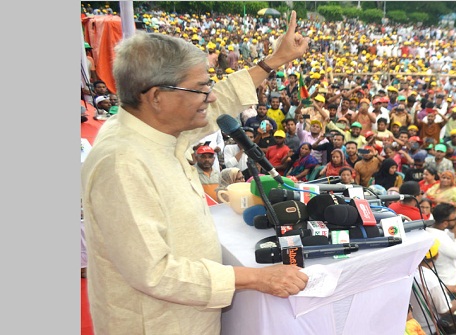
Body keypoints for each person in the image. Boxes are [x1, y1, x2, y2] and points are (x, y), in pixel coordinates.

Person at [80, 17, 310, 334]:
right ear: (157, 96)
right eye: (201, 88)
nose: (211, 97)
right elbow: (155, 272)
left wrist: (274, 62)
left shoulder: (159, 126)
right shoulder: (122, 163)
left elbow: (221, 103)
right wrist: (259, 277)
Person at [410, 238, 456, 335]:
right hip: (429, 330)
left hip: (411, 326)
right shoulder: (431, 280)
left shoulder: (409, 270)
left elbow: (428, 292)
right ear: (436, 255)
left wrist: (453, 288)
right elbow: (445, 311)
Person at [427, 203, 456, 288]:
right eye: (455, 218)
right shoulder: (440, 238)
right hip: (446, 283)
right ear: (445, 223)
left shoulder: (431, 230)